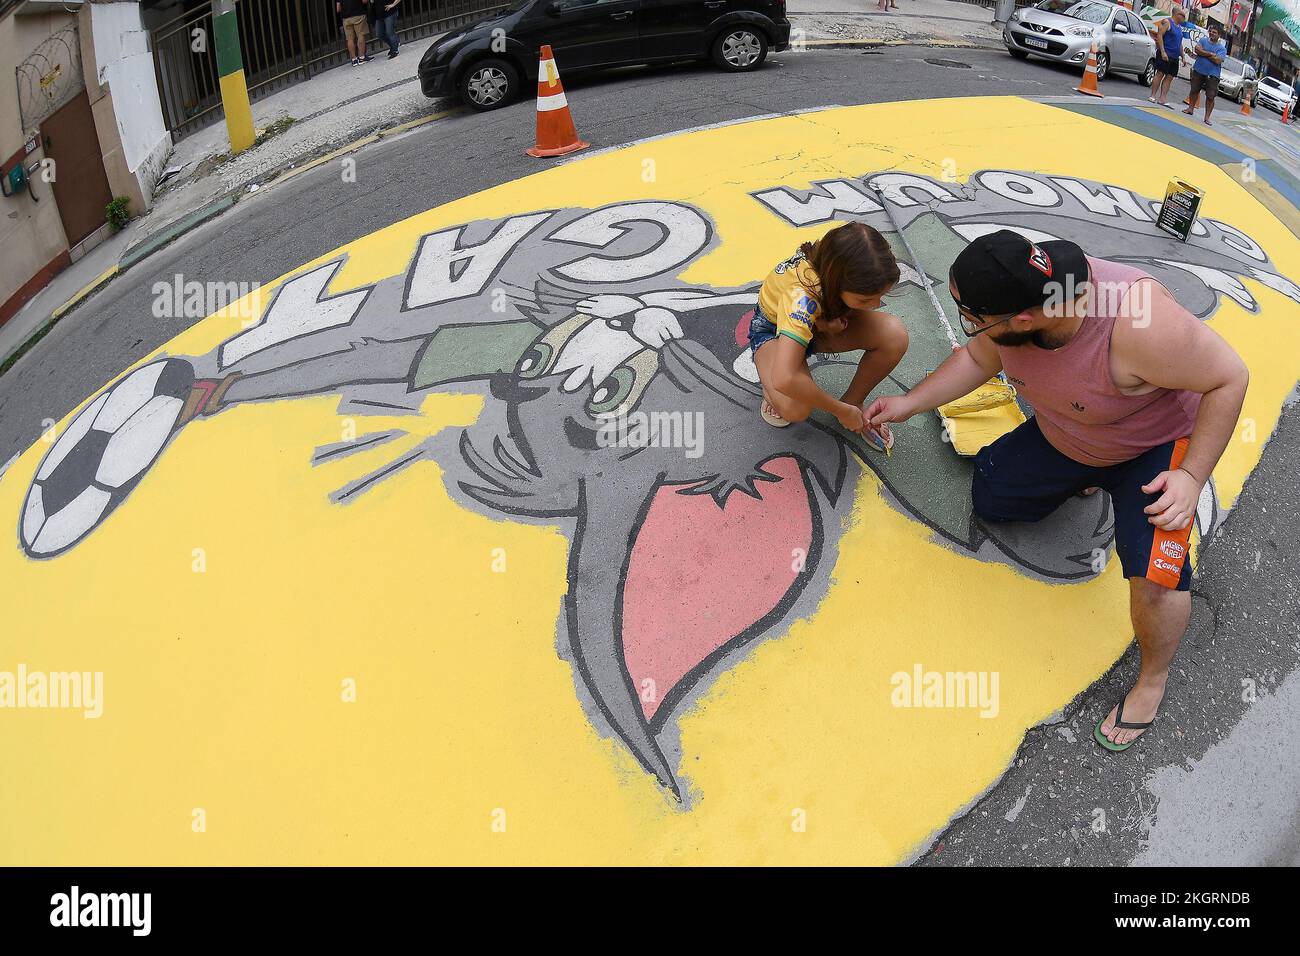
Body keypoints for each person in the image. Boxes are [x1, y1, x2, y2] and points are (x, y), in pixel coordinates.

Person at [865, 231, 1249, 752]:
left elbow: (1229, 378)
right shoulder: (1027, 285)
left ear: (1023, 319)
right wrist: (909, 403)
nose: (971, 325)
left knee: (1158, 581)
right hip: (1069, 432)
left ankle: (1152, 681)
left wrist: (1193, 477)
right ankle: (1089, 479)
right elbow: (980, 359)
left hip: (1156, 451)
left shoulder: (1138, 322)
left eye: (975, 317)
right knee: (993, 499)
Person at [749, 221, 909, 442]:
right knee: (795, 408)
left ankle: (855, 401)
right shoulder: (801, 299)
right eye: (865, 299)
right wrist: (840, 410)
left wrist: (826, 322)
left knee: (894, 335)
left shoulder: (836, 261)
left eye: (879, 296)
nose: (875, 305)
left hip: (816, 324)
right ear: (837, 283)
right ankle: (771, 391)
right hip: (773, 330)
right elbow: (785, 378)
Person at [1184, 21, 1227, 126]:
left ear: (1219, 35)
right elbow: (1197, 50)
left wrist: (1204, 53)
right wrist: (1211, 54)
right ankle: (1190, 108)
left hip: (1213, 75)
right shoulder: (1203, 40)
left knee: (1210, 96)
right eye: (1211, 31)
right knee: (1194, 90)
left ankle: (1207, 117)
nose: (1212, 33)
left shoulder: (1222, 48)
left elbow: (1218, 60)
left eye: (1214, 32)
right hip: (1198, 70)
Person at [1149, 6, 1187, 108]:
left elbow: (1179, 43)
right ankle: (1153, 95)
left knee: (1170, 77)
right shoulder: (1167, 22)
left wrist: (1183, 56)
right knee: (1160, 73)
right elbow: (1160, 35)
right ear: (1176, 14)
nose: (1184, 18)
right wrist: (1162, 51)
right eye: (1182, 15)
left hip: (1174, 57)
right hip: (1165, 54)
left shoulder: (1179, 27)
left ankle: (1162, 98)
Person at [337, 0, 373, 67]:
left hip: (346, 18)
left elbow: (338, 9)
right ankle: (362, 57)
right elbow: (364, 1)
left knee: (349, 38)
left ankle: (354, 59)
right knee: (360, 35)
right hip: (358, 14)